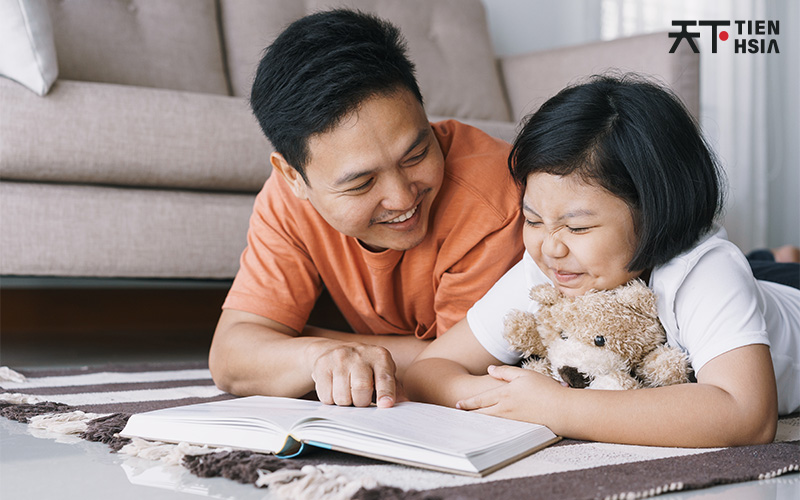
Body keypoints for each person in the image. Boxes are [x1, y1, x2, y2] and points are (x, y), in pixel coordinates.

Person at [404, 75, 800, 448]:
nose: (550, 247)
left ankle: (775, 259)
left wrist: (558, 407)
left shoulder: (705, 270)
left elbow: (748, 415)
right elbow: (430, 370)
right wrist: (506, 397)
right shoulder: (552, 262)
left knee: (753, 268)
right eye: (533, 220)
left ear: (656, 211)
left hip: (789, 294)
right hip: (755, 284)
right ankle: (767, 260)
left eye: (577, 228)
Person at [208, 10, 523, 408]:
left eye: (417, 154)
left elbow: (456, 366)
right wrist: (319, 356)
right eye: (362, 183)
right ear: (293, 177)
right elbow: (229, 359)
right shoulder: (286, 200)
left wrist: (296, 341)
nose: (402, 199)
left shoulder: (491, 198)